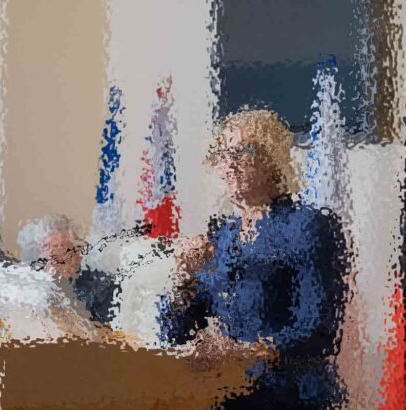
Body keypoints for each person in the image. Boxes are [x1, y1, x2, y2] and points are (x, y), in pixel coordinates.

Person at [159, 110, 350, 408]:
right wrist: (183, 277)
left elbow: (320, 332)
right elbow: (173, 334)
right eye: (223, 154)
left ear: (272, 159)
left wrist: (242, 353)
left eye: (243, 151)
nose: (230, 163)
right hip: (228, 391)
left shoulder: (308, 226)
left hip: (290, 395)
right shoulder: (221, 235)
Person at [18, 214, 120, 326]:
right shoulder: (30, 284)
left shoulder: (103, 287)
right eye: (46, 247)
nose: (52, 254)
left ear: (78, 253)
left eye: (61, 247)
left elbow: (111, 332)